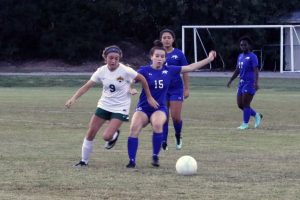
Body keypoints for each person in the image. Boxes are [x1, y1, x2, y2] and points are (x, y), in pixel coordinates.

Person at [126, 40, 216, 168]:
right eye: (157, 56)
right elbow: (130, 81)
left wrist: (209, 59)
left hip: (159, 108)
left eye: (162, 56)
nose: (159, 58)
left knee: (157, 124)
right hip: (144, 107)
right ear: (151, 57)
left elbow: (190, 67)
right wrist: (130, 89)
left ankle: (155, 157)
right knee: (134, 128)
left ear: (165, 59)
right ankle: (132, 161)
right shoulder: (144, 70)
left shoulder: (170, 70)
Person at [65, 45, 158, 167]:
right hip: (104, 105)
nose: (113, 61)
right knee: (90, 132)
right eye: (110, 58)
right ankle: (83, 161)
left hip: (120, 107)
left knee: (106, 136)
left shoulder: (126, 70)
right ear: (105, 58)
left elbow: (143, 79)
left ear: (119, 59)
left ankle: (114, 134)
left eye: (116, 58)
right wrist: (73, 98)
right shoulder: (101, 71)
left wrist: (149, 97)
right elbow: (87, 86)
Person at [159, 28, 189, 150]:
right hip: (162, 89)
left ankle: (178, 135)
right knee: (164, 116)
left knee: (175, 117)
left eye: (169, 37)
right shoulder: (158, 53)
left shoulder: (179, 54)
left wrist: (186, 88)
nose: (166, 40)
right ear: (161, 40)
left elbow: (186, 71)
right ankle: (163, 141)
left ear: (173, 39)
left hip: (176, 89)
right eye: (164, 37)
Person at [227, 36, 263, 130]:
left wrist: (256, 82)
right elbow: (238, 69)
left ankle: (245, 124)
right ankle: (256, 115)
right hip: (241, 83)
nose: (243, 46)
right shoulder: (240, 56)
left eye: (245, 45)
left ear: (249, 46)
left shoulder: (253, 56)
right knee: (240, 105)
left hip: (250, 82)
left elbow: (256, 70)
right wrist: (231, 80)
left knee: (246, 103)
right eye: (241, 45)